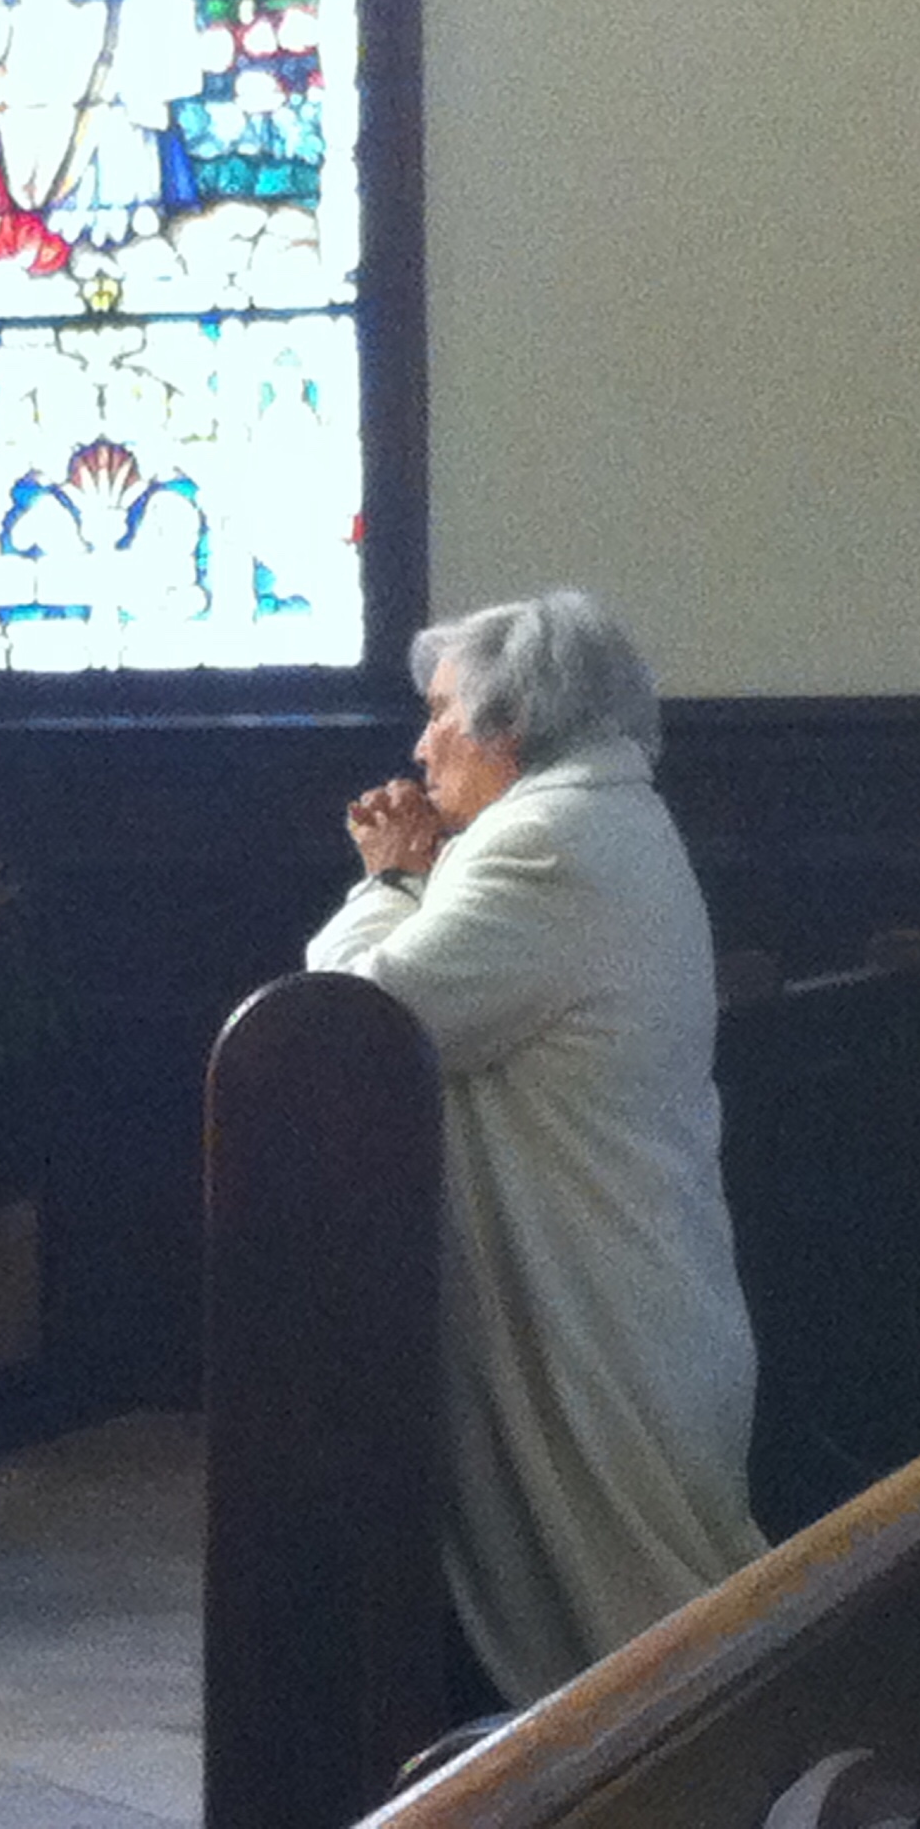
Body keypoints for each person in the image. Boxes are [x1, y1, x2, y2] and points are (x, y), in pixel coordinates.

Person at [304, 587, 767, 1706]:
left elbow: (353, 1025)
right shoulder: (614, 818)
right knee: (668, 1612)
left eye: (440, 713)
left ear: (510, 723)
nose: (421, 747)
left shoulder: (544, 844)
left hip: (594, 1302)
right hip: (633, 1279)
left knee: (662, 1647)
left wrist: (391, 880)